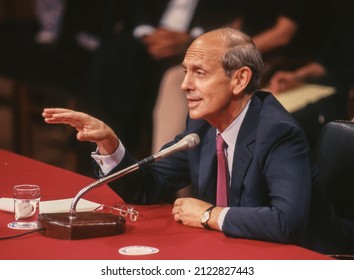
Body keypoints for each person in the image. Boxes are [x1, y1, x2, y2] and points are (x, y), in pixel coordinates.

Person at [42, 27, 316, 246]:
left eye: (199, 73)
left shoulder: (278, 132)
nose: (185, 85)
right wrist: (109, 144)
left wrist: (209, 215)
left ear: (240, 80)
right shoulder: (203, 127)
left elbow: (286, 223)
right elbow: (148, 188)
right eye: (186, 71)